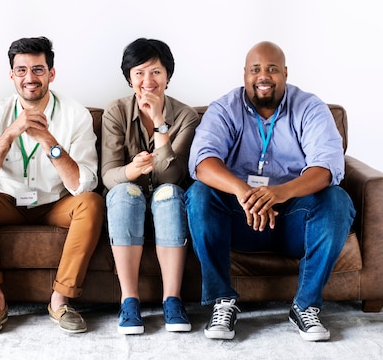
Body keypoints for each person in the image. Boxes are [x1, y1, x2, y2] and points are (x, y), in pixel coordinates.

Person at [185, 41, 356, 342]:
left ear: (285, 73)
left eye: (272, 69)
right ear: (244, 75)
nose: (263, 76)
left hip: (292, 218)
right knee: (199, 194)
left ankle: (305, 306)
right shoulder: (225, 108)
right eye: (256, 69)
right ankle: (221, 301)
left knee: (337, 200)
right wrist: (241, 191)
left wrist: (280, 193)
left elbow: (328, 167)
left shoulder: (310, 107)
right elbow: (201, 162)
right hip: (239, 218)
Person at [0, 36, 104, 335]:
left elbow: (83, 184)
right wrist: (9, 135)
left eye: (38, 69)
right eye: (21, 70)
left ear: (51, 73)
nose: (30, 78)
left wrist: (50, 142)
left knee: (92, 203)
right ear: (11, 75)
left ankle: (60, 301)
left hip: (56, 203)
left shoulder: (76, 115)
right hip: (8, 202)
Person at [101, 38, 199, 335]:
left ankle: (172, 300)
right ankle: (129, 301)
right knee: (123, 192)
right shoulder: (116, 112)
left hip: (166, 199)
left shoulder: (185, 116)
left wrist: (159, 124)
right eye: (139, 73)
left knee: (169, 194)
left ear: (167, 76)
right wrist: (131, 171)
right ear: (129, 78)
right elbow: (108, 175)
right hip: (127, 199)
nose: (147, 81)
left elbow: (172, 176)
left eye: (155, 72)